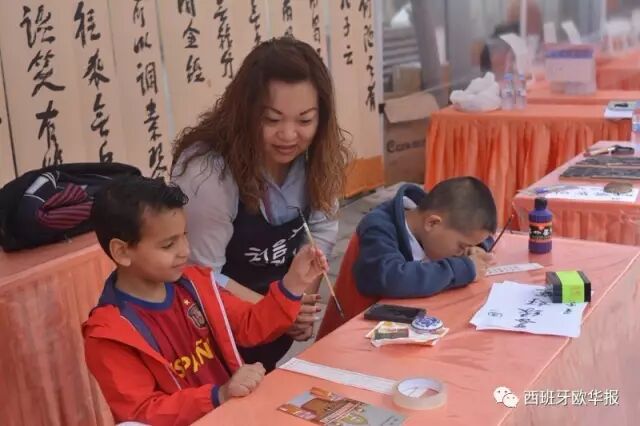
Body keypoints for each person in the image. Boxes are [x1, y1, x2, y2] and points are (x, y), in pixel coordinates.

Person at [82, 177, 328, 426]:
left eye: (184, 236)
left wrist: (293, 283)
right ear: (122, 252)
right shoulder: (110, 334)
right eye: (168, 245)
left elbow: (250, 324)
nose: (185, 251)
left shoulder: (196, 284)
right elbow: (142, 412)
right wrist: (217, 396)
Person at [171, 37, 350, 370]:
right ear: (246, 113)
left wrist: (300, 300)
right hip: (214, 337)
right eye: (272, 119)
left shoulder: (318, 158)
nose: (288, 135)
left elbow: (322, 230)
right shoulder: (208, 173)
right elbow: (199, 274)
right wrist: (280, 309)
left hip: (274, 331)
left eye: (305, 121)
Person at [318, 178, 496, 338]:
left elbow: (483, 235)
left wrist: (477, 248)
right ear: (432, 223)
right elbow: (392, 278)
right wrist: (463, 269)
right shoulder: (380, 226)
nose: (461, 253)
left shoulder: (436, 222)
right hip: (355, 337)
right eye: (461, 246)